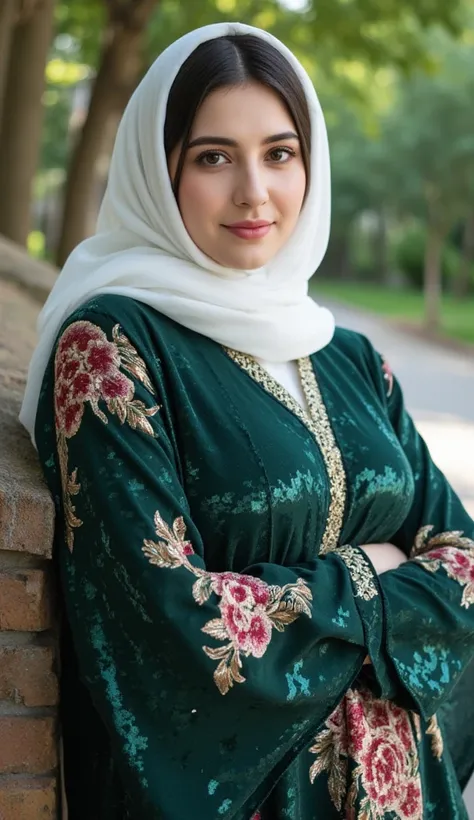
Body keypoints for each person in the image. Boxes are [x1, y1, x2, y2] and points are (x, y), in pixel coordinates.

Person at [20, 21, 474, 820]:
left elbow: (465, 563)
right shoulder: (114, 349)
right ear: (159, 172)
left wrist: (304, 599)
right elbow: (168, 618)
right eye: (213, 157)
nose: (254, 193)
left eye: (280, 153)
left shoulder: (352, 358)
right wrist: (377, 574)